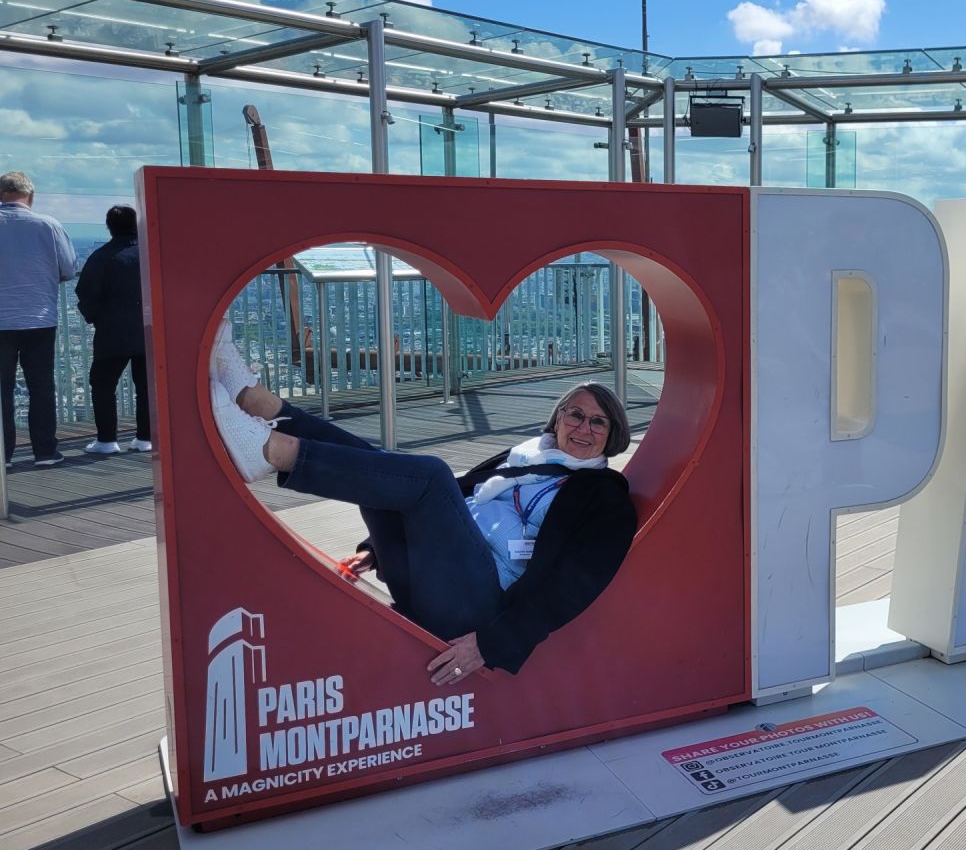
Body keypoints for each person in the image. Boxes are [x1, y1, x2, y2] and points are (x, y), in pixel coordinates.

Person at [208, 337, 637, 682]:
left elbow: (572, 589)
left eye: (598, 422)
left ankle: (269, 451)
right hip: (431, 573)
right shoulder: (526, 456)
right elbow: (461, 500)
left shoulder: (604, 498)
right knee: (381, 466)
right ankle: (261, 404)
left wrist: (491, 645)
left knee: (430, 476)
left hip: (476, 605)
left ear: (613, 434)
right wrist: (374, 549)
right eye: (574, 414)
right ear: (557, 418)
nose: (583, 427)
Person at [0, 171, 77, 467]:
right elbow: (69, 268)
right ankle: (45, 451)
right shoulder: (49, 225)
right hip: (40, 318)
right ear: (31, 196)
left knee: (2, 390)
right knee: (41, 386)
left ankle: (3, 454)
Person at [75, 206, 151, 455]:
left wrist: (96, 317)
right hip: (148, 331)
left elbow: (85, 293)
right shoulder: (150, 254)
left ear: (109, 227)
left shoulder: (101, 257)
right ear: (136, 225)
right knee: (146, 385)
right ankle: (145, 437)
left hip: (111, 332)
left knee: (103, 384)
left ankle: (107, 441)